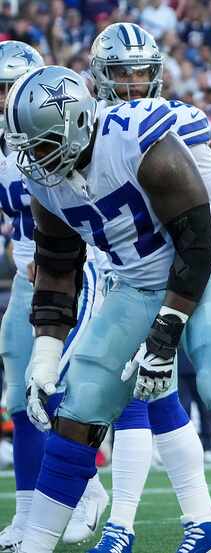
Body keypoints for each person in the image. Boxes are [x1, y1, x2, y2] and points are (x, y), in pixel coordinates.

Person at [7, 65, 211, 553]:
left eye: (41, 145)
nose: (33, 160)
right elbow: (57, 268)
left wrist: (165, 336)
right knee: (81, 409)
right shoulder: (46, 180)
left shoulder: (137, 140)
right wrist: (43, 355)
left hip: (201, 272)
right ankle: (36, 543)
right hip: (134, 283)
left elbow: (198, 243)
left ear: (77, 125)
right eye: (27, 147)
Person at [83, 23, 211, 553]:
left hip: (175, 281)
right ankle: (193, 520)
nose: (132, 84)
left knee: (162, 394)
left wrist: (192, 261)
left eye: (140, 73)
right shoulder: (80, 125)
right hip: (120, 277)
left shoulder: (167, 122)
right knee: (147, 399)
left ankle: (126, 526)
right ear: (98, 78)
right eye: (120, 74)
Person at [0, 40, 110, 551]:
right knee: (22, 396)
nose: (3, 99)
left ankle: (85, 489)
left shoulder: (66, 130)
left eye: (9, 87)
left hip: (75, 276)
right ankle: (25, 515)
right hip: (28, 281)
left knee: (67, 388)